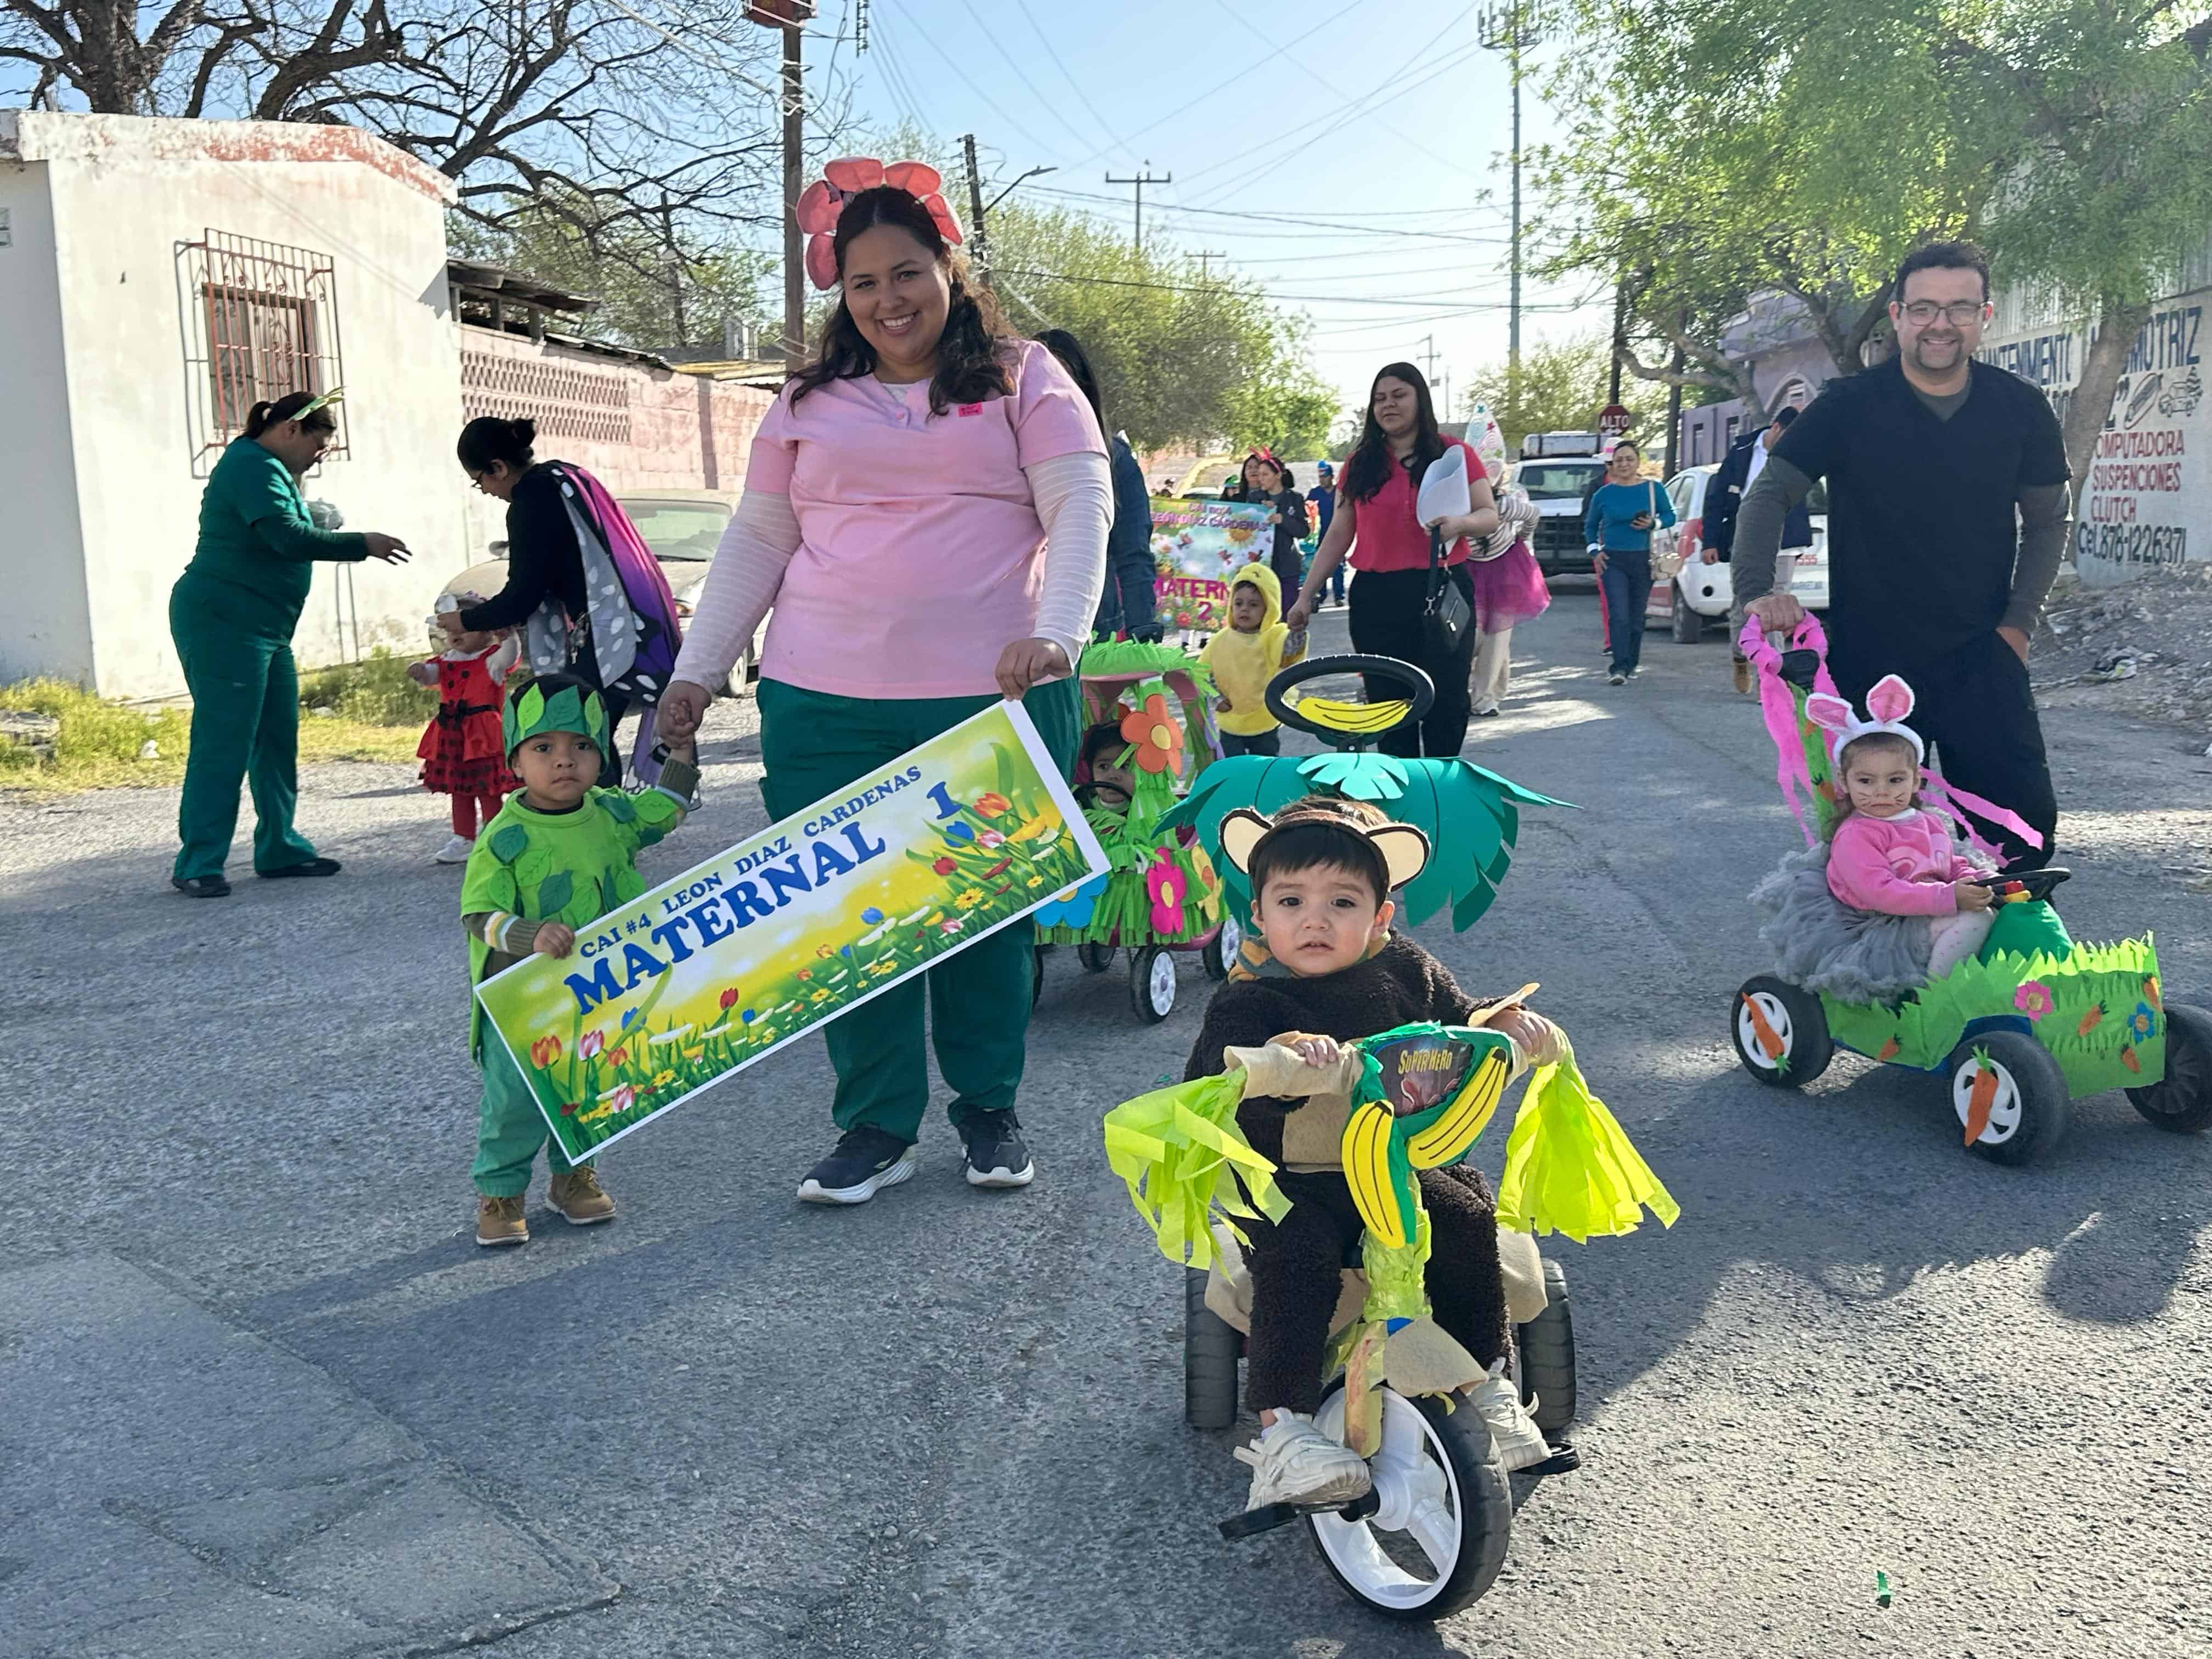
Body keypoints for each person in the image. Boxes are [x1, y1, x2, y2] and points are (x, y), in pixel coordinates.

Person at [652, 160, 1109, 1205]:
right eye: (863, 283)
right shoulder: (809, 402)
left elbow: (1081, 507)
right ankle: (874, 1126)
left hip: (988, 695)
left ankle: (988, 1108)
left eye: (907, 273)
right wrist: (696, 668)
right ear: (840, 295)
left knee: (983, 915)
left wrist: (1058, 637)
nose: (888, 301)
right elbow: (761, 535)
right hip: (820, 699)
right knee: (845, 917)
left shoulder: (1021, 374)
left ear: (946, 267)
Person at [1181, 798, 1562, 1507]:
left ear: (1382, 916)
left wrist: (1506, 1022)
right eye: (1291, 900)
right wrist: (1279, 1058)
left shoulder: (1407, 972)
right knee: (1297, 1252)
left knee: (1463, 1217)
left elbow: (1465, 1017)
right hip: (1292, 1177)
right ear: (1258, 915)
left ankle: (1487, 1378)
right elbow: (1211, 1079)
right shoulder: (1251, 1001)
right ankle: (1285, 1431)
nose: (1316, 919)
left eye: (1343, 901)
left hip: (1397, 1164)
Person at [1733, 240, 2069, 870]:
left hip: (1983, 655)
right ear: (1897, 315)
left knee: (2019, 836)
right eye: (1924, 308)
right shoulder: (1850, 406)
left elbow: (2051, 521)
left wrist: (2019, 623)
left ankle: (2004, 966)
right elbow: (1770, 495)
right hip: (1869, 658)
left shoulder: (2020, 407)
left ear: (1984, 316)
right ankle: (1879, 967)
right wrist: (1756, 590)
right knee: (1868, 842)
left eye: (1959, 308)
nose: (1941, 324)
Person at [461, 674, 699, 1246]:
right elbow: (478, 914)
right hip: (522, 1001)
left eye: (582, 747)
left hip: (598, 990)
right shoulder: (505, 836)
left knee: (585, 1086)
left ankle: (573, 1179)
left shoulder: (613, 814)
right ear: (516, 761)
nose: (564, 761)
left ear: (602, 758)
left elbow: (666, 809)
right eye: (544, 748)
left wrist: (683, 751)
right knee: (514, 1100)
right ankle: (500, 1192)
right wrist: (528, 934)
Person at [169, 390, 412, 898]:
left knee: (277, 738)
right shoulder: (251, 465)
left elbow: (284, 528)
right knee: (226, 740)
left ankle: (279, 847)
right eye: (318, 445)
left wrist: (310, 513)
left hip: (265, 628)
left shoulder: (270, 468)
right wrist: (360, 543)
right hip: (224, 621)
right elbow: (285, 538)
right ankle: (199, 861)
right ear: (290, 431)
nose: (319, 456)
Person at [443, 418, 685, 791]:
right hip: (633, 621)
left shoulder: (530, 499)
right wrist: (500, 615)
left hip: (609, 631)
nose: (487, 491)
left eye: (481, 481)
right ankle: (604, 824)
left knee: (577, 732)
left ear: (499, 467)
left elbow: (524, 593)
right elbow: (546, 579)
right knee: (590, 731)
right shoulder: (566, 477)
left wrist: (468, 619)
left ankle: (598, 829)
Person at [1286, 364, 1500, 758]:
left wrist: (1460, 524)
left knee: (1447, 703)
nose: (1389, 405)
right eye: (1380, 398)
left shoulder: (1455, 454)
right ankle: (1399, 806)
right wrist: (1305, 597)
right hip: (1376, 597)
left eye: (1399, 395)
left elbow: (1489, 514)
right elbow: (1338, 534)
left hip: (1443, 590)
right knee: (1388, 707)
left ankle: (1440, 796)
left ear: (1419, 399)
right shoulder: (1360, 463)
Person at [1035, 328, 1160, 644]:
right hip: (1011, 626)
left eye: (1062, 381)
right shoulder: (1001, 454)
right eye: (1037, 381)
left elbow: (1133, 555)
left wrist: (1142, 631)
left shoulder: (1114, 459)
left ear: (1082, 389)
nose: (1049, 393)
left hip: (1088, 631)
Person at [1703, 405, 1812, 694]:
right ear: (1776, 427)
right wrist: (1710, 542)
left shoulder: (1801, 454)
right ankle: (1741, 656)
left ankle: (1771, 677)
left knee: (1776, 602)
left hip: (1786, 539)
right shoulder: (1742, 452)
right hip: (1747, 538)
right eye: (1788, 436)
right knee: (1746, 604)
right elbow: (1716, 497)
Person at [407, 594, 520, 863]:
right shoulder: (446, 661)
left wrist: (507, 635)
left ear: (486, 634)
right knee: (459, 788)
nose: (456, 635)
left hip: (482, 735)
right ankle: (463, 837)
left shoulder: (491, 660)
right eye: (451, 630)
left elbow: (510, 655)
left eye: (465, 629)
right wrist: (420, 671)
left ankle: (494, 833)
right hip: (453, 733)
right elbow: (430, 675)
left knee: (487, 788)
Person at [1460, 408, 1548, 719]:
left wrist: (1522, 540)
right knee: (1469, 635)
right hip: (1468, 570)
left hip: (1504, 570)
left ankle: (1486, 699)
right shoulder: (1457, 503)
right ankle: (1469, 690)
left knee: (1498, 636)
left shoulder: (1510, 503)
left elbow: (1533, 516)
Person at [1583, 440, 1675, 686]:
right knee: (1619, 613)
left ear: (1637, 462)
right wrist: (1595, 551)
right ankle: (1619, 667)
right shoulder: (1604, 494)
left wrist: (1653, 524)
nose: (1624, 464)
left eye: (1629, 459)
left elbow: (1670, 516)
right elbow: (1590, 526)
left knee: (1636, 616)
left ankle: (1632, 662)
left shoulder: (1653, 489)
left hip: (1644, 559)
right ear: (1612, 463)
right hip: (1613, 560)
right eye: (1619, 460)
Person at [1201, 565, 1307, 756]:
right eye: (1239, 603)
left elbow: (1288, 653)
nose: (1245, 609)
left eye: (1254, 605)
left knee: (1266, 765)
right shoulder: (1220, 640)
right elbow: (1201, 673)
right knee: (1233, 768)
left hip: (1264, 717)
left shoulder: (1272, 636)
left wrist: (1297, 631)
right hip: (1231, 717)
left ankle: (1265, 786)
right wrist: (1216, 698)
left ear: (1269, 608)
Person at [1224, 449, 1308, 605]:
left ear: (1278, 475)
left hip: (1287, 567)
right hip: (1259, 566)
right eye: (1259, 474)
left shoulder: (1295, 498)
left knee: (1286, 613)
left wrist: (1282, 518)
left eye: (1265, 475)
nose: (1260, 478)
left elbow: (1303, 531)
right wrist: (1259, 512)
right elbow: (1244, 528)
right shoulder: (1255, 498)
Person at [1304, 461, 1342, 607]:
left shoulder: (1339, 491)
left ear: (1331, 477)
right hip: (1320, 534)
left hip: (1337, 532)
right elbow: (1306, 510)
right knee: (1320, 564)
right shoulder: (1315, 493)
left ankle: (1339, 596)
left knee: (1337, 564)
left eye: (1325, 476)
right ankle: (1322, 594)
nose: (1322, 480)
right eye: (1320, 477)